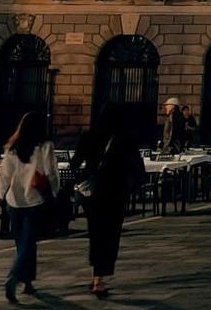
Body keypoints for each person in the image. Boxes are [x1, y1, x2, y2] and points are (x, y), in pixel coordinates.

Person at [72, 105, 145, 299]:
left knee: (95, 234)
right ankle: (100, 279)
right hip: (116, 192)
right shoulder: (126, 139)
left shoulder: (88, 136)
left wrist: (83, 178)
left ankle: (96, 277)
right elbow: (137, 166)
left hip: (93, 194)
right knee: (111, 236)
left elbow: (74, 164)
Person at [0, 112, 59, 303]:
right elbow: (51, 172)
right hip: (35, 200)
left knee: (22, 243)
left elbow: (4, 176)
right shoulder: (45, 146)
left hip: (14, 201)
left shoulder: (12, 148)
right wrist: (55, 192)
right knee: (28, 243)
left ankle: (28, 282)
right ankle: (14, 276)